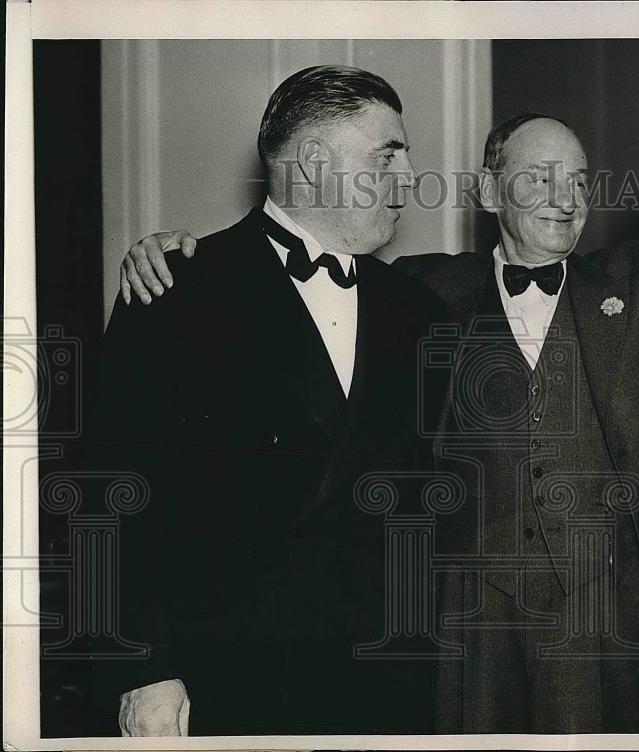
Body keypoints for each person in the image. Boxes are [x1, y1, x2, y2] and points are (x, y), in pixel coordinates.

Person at [117, 101, 639, 732]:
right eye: (539, 179)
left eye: (577, 180)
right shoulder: (422, 295)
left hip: (608, 634)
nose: (566, 200)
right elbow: (281, 280)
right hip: (465, 635)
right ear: (491, 193)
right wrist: (167, 250)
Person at [91, 65, 443, 735]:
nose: (410, 178)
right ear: (311, 163)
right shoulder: (177, 288)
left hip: (387, 684)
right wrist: (140, 668)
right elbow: (112, 493)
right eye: (388, 156)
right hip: (225, 680)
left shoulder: (417, 308)